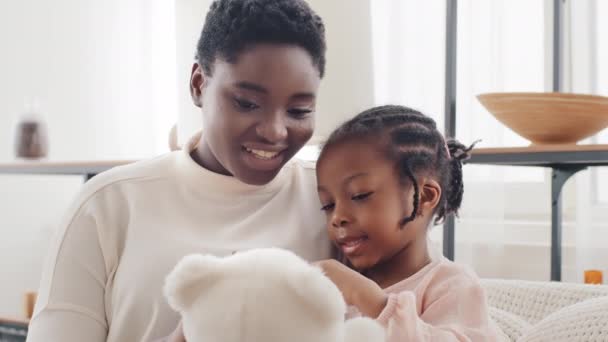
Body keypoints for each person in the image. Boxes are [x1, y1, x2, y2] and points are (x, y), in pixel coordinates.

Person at [25, 0, 330, 341]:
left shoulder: (333, 201)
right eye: (247, 103)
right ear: (199, 84)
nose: (275, 131)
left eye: (300, 110)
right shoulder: (108, 204)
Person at [315, 105, 505, 341]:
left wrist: (371, 300)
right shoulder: (334, 283)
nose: (337, 217)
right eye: (327, 205)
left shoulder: (450, 285)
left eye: (360, 195)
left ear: (424, 196)